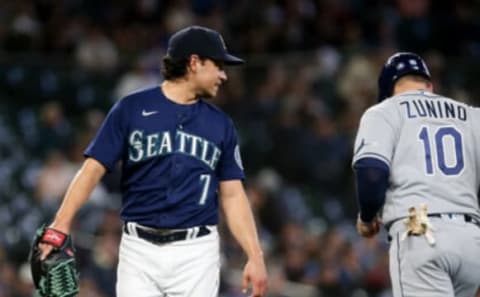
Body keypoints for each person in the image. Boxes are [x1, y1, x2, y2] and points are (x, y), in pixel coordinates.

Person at [38, 25, 268, 297]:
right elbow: (92, 169)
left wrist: (255, 254)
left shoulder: (221, 125)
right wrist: (61, 223)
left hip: (196, 253)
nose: (224, 75)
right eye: (218, 65)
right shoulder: (131, 109)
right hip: (138, 251)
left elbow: (232, 195)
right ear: (194, 63)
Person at [352, 52, 480, 297]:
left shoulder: (384, 111)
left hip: (420, 232)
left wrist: (367, 218)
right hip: (472, 242)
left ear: (389, 89)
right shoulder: (472, 116)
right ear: (429, 86)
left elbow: (371, 175)